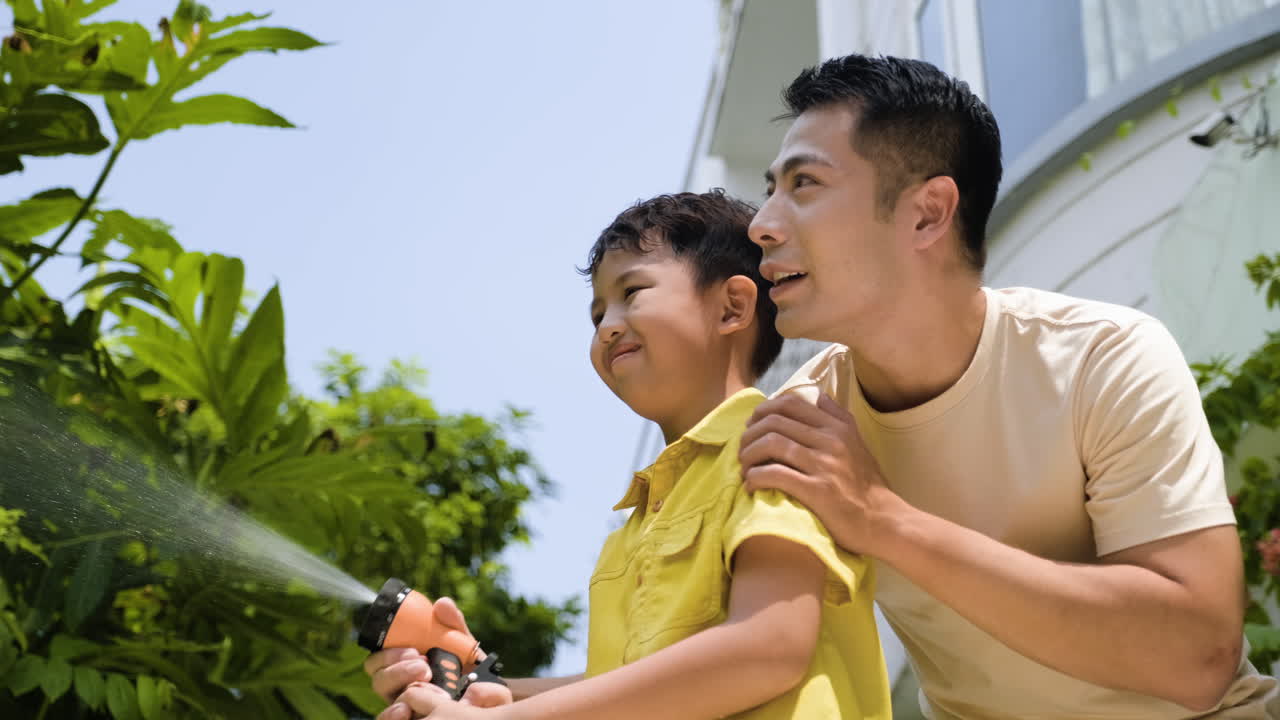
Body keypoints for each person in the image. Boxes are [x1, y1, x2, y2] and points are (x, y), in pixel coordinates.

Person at [737, 53, 1278, 718]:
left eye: (804, 185)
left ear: (928, 214)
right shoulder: (803, 421)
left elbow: (1196, 657)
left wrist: (883, 519)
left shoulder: (1102, 359)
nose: (761, 222)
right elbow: (744, 654)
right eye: (769, 188)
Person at [365, 190, 892, 720]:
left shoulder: (778, 444)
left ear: (732, 306)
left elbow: (768, 647)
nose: (607, 326)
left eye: (632, 291)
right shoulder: (630, 535)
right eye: (596, 315)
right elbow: (628, 689)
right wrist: (477, 681)